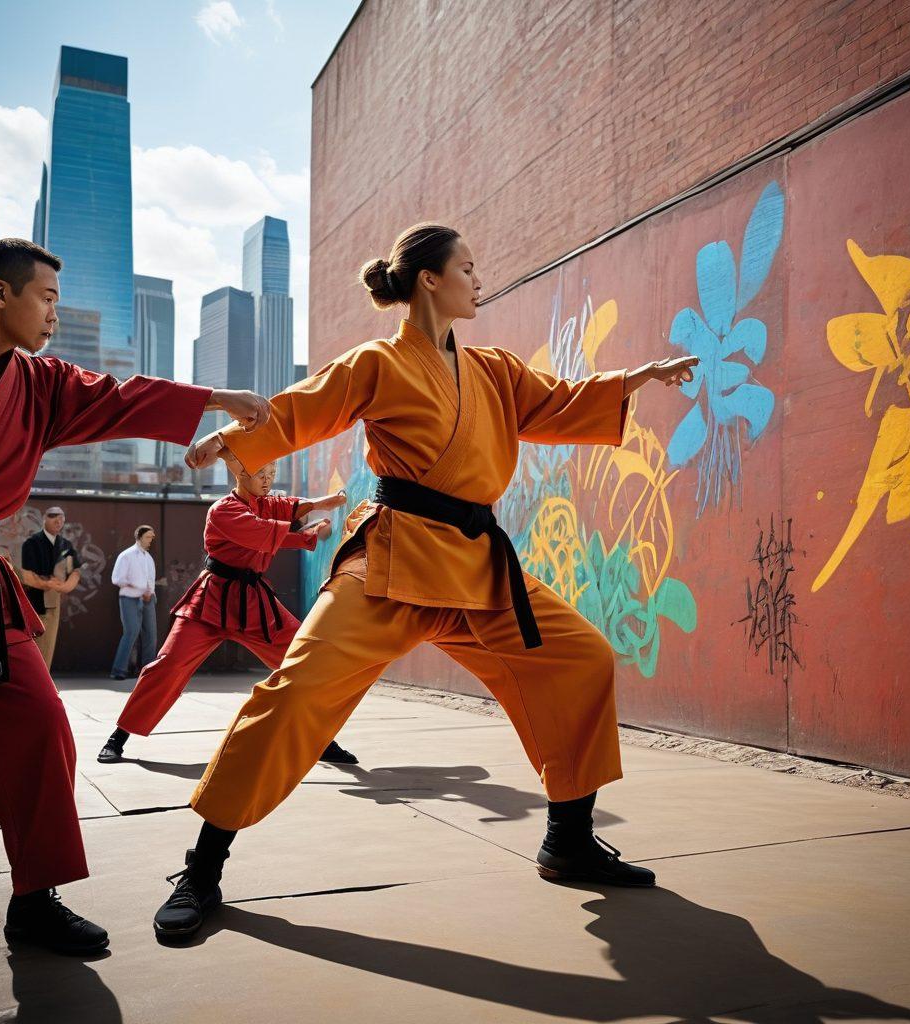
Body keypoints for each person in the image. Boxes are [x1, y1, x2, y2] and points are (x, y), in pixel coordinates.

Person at [150, 223, 699, 941]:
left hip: (478, 566)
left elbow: (561, 402)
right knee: (297, 693)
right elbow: (305, 407)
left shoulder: (495, 371)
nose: (479, 278)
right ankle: (203, 868)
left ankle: (568, 839)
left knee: (580, 657)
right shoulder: (379, 361)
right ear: (430, 280)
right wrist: (236, 439)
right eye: (467, 267)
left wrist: (636, 378)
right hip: (392, 563)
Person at [0, 237, 268, 955]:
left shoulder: (40, 383)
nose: (55, 314)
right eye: (47, 299)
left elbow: (123, 399)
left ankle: (33, 902)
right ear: (2, 295)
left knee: (42, 726)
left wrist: (217, 398)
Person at [97, 460, 358, 766]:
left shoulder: (267, 504)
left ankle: (321, 738)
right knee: (168, 665)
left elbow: (289, 506)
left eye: (271, 474)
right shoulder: (223, 509)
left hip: (254, 601)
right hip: (211, 599)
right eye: (261, 472)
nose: (267, 479)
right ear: (240, 472)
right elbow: (260, 532)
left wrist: (325, 505)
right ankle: (119, 736)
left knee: (302, 660)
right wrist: (309, 533)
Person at [19, 506, 80, 670]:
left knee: (49, 644)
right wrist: (47, 583)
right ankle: (36, 682)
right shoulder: (31, 543)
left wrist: (66, 586)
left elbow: (74, 570)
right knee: (35, 645)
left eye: (62, 518)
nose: (58, 521)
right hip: (33, 600)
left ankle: (44, 682)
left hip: (53, 600)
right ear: (45, 518)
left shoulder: (65, 544)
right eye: (53, 516)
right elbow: (26, 575)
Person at [109, 524, 159, 680]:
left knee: (151, 635)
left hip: (148, 600)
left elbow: (150, 580)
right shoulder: (126, 555)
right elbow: (117, 579)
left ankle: (147, 672)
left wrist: (149, 593)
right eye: (148, 537)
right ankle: (118, 670)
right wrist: (140, 589)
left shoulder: (148, 558)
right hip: (129, 599)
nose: (151, 540)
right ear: (139, 537)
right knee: (131, 633)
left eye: (152, 537)